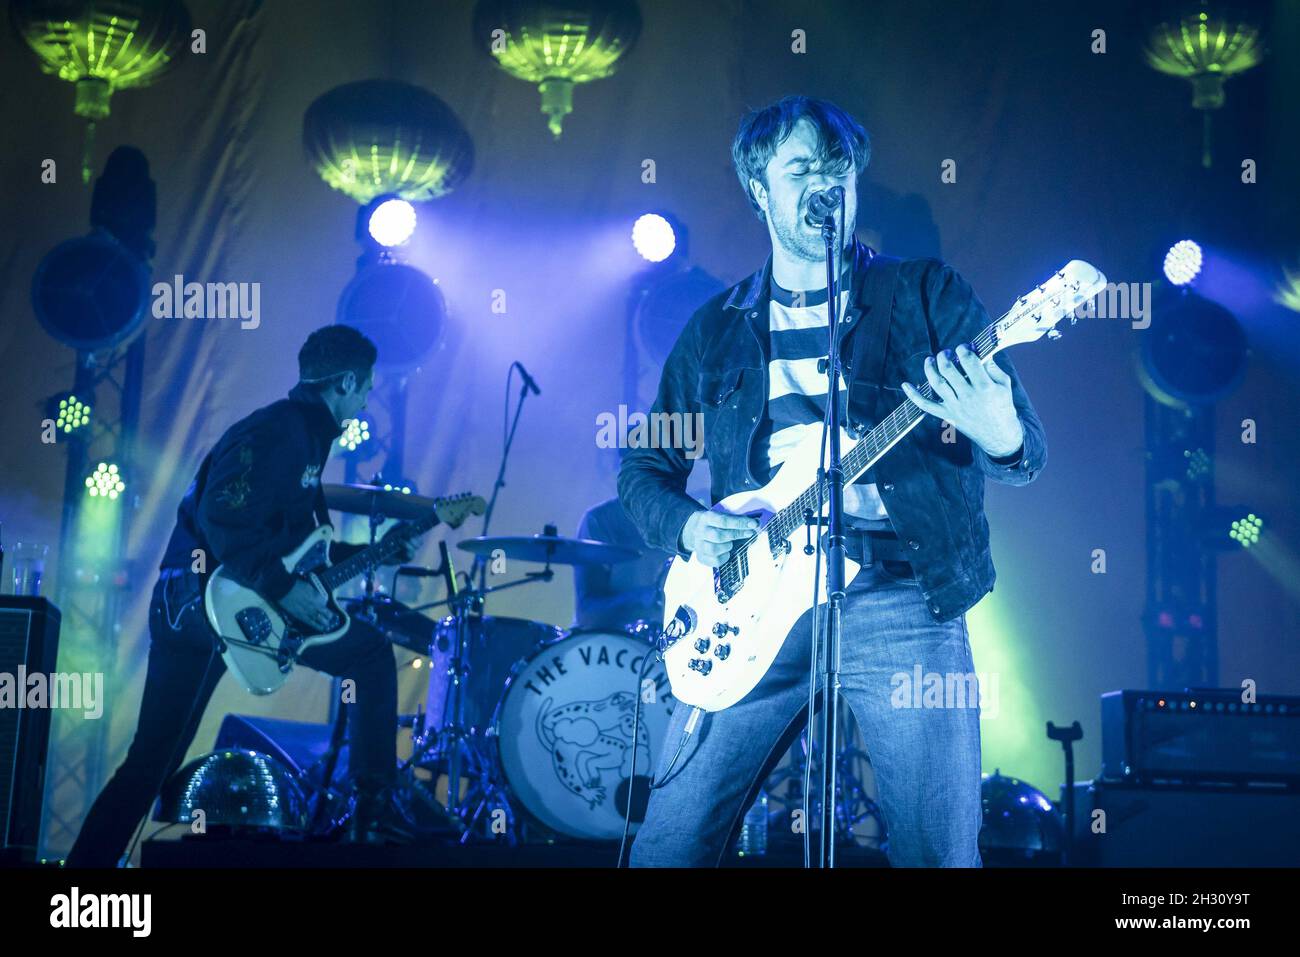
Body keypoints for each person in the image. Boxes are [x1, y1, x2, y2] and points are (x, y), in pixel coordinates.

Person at [618, 96, 1046, 867]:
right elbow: (644, 468)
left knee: (940, 853)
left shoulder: (926, 295)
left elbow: (1024, 451)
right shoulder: (715, 329)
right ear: (759, 189)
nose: (825, 183)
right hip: (748, 604)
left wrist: (994, 425)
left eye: (838, 167)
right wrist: (688, 526)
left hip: (901, 594)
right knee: (668, 845)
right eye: (802, 169)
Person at [67, 325, 420, 866]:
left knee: (153, 761)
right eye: (366, 387)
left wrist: (374, 551)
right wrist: (280, 588)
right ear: (347, 381)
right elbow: (222, 513)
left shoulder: (304, 437)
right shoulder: (279, 430)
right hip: (202, 598)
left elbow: (301, 552)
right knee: (370, 655)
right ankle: (375, 808)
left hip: (198, 598)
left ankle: (83, 877)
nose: (367, 400)